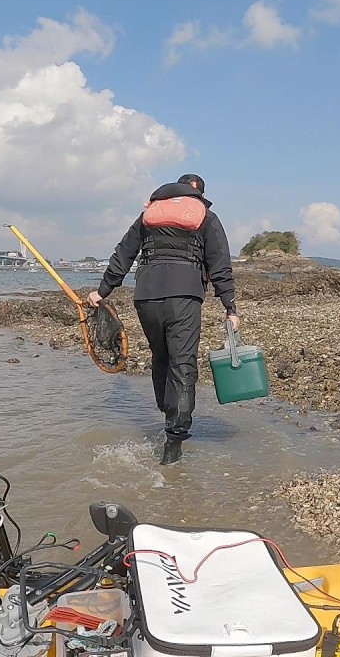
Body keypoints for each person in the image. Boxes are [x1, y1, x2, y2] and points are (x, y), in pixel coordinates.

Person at [88, 174, 240, 465]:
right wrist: (229, 307)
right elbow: (220, 264)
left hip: (146, 297)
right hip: (184, 297)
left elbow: (124, 253)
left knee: (160, 356)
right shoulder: (205, 216)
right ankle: (174, 439)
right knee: (182, 364)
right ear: (200, 193)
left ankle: (167, 412)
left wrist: (102, 290)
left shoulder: (149, 214)